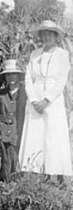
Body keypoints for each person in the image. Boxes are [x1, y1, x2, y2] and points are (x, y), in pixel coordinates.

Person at [18, 20, 72, 180]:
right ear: (40, 36)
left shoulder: (63, 55)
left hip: (53, 99)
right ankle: (35, 171)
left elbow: (61, 79)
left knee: (53, 135)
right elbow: (28, 78)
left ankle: (55, 173)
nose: (47, 36)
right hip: (35, 95)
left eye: (50, 33)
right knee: (36, 134)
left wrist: (47, 100)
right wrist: (34, 99)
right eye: (44, 33)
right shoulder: (35, 54)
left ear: (56, 36)